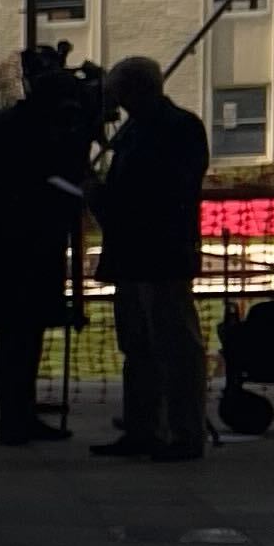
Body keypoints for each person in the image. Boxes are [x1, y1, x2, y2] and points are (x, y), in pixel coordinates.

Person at [0, 46, 92, 444]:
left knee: (21, 330)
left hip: (16, 242)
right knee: (21, 331)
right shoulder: (45, 129)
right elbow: (73, 171)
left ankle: (18, 413)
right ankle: (15, 416)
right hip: (31, 241)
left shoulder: (2, 126)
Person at [93, 54, 211, 460]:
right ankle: (146, 428)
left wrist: (102, 197)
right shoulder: (161, 127)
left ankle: (182, 432)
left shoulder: (172, 130)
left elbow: (155, 192)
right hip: (142, 253)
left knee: (173, 345)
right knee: (141, 345)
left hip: (158, 252)